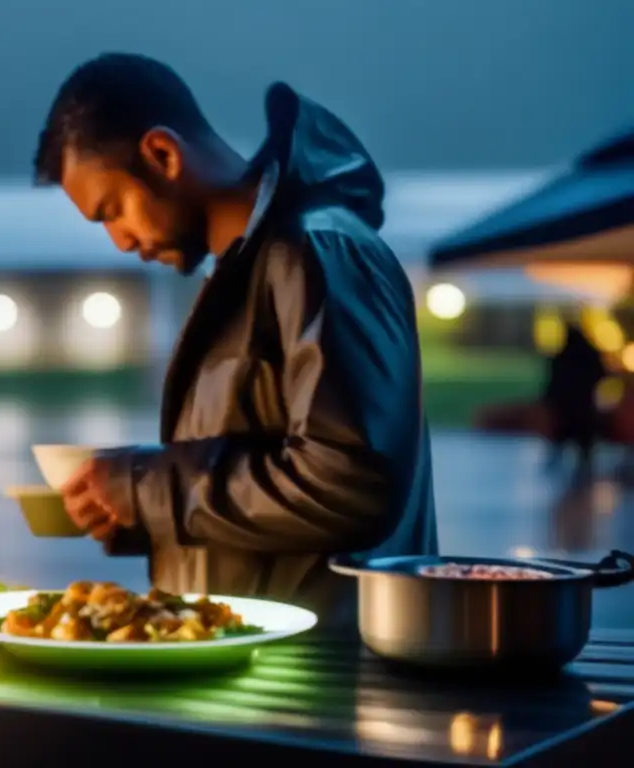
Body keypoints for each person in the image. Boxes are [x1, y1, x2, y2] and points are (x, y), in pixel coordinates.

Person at [36, 53, 437, 626]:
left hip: (326, 682)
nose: (120, 241)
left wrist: (144, 486)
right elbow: (269, 482)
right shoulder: (245, 272)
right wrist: (137, 514)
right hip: (265, 667)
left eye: (113, 210)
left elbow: (350, 484)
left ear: (162, 154)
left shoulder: (319, 250)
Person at [543, 323, 606, 472]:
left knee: (563, 437)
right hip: (583, 406)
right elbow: (601, 375)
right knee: (581, 440)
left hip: (567, 407)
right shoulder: (590, 355)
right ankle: (583, 466)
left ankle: (556, 465)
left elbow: (554, 382)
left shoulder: (563, 357)